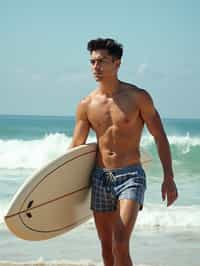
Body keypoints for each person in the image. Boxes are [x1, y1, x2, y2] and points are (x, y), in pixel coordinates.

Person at [69, 38, 178, 266]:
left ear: (117, 64)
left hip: (131, 176)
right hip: (102, 177)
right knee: (107, 248)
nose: (95, 67)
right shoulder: (86, 104)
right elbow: (76, 147)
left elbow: (159, 136)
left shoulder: (138, 97)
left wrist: (169, 177)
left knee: (120, 242)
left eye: (101, 62)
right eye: (92, 62)